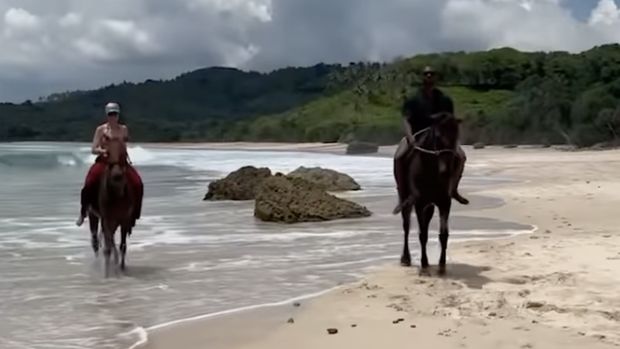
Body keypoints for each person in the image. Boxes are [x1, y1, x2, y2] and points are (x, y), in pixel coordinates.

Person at [393, 66, 468, 212]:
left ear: (436, 78)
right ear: (422, 77)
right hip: (416, 134)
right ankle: (402, 196)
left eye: (432, 74)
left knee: (461, 157)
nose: (429, 77)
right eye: (426, 74)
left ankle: (453, 189)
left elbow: (450, 120)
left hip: (441, 136)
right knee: (398, 157)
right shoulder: (413, 99)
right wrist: (410, 137)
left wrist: (452, 138)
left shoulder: (444, 99)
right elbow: (406, 120)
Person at [76, 102, 144, 227]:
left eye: (115, 114)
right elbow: (93, 148)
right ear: (107, 115)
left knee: (137, 183)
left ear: (118, 115)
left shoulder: (123, 129)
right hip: (105, 162)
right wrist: (103, 150)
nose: (113, 117)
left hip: (121, 162)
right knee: (89, 183)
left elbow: (124, 145)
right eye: (110, 114)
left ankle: (135, 213)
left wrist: (122, 149)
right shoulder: (101, 129)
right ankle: (83, 211)